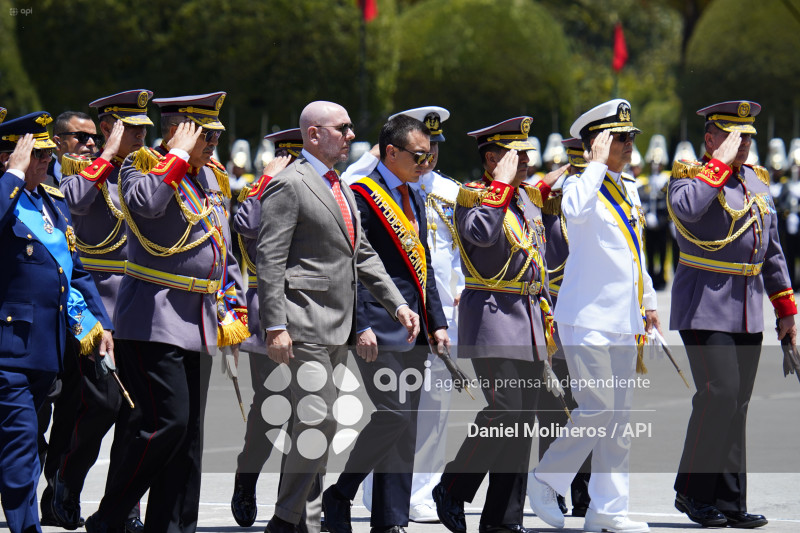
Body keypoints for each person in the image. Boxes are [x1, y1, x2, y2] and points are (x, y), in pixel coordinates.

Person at [86, 92, 249, 533]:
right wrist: (175, 155)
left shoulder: (211, 176)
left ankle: (175, 527)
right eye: (204, 134)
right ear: (178, 132)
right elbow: (147, 205)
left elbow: (221, 244)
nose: (213, 143)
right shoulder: (139, 167)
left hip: (200, 319)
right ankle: (111, 515)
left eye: (216, 136)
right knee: (167, 424)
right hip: (153, 317)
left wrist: (233, 308)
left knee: (190, 438)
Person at [256, 100, 419, 533]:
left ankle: (304, 523)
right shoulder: (290, 184)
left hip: (338, 327)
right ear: (313, 134)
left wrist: (397, 304)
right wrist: (275, 326)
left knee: (314, 429)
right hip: (303, 323)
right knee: (319, 420)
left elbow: (361, 254)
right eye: (342, 128)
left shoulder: (340, 186)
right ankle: (283, 521)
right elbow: (270, 259)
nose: (351, 135)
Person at [528, 99, 659, 533]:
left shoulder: (628, 188)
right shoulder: (579, 184)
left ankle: (608, 510)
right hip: (586, 318)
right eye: (618, 137)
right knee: (598, 408)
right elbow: (574, 213)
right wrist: (595, 164)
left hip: (623, 319)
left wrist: (649, 303)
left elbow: (636, 253)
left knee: (618, 422)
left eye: (630, 136)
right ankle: (546, 478)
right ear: (596, 144)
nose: (628, 143)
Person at [668, 100, 797, 529]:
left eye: (747, 137)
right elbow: (688, 210)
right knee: (718, 394)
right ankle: (692, 491)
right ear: (710, 139)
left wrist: (785, 309)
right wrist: (718, 165)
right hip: (704, 304)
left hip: (746, 307)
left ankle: (729, 500)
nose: (743, 144)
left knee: (737, 402)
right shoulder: (689, 177)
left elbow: (771, 250)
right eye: (733, 136)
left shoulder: (756, 181)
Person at [323, 114, 449, 533]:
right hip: (377, 323)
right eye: (418, 155)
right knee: (393, 413)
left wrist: (436, 322)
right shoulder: (361, 195)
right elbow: (353, 267)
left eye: (429, 154)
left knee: (406, 424)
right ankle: (341, 493)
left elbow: (423, 267)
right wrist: (360, 324)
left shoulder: (414, 195)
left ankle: (390, 521)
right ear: (391, 152)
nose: (426, 162)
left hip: (413, 325)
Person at [433, 116, 558, 533]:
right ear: (492, 159)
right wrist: (501, 186)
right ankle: (453, 485)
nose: (526, 162)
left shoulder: (525, 198)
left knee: (522, 422)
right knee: (505, 410)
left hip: (528, 317)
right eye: (516, 156)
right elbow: (482, 235)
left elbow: (540, 253)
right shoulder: (475, 195)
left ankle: (503, 520)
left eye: (526, 156)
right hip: (492, 316)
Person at [44, 90, 153, 532]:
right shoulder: (79, 173)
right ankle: (65, 481)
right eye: (133, 128)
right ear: (110, 129)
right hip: (93, 307)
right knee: (101, 403)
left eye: (145, 128)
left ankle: (125, 507)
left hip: (139, 308)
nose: (143, 136)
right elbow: (71, 202)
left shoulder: (145, 172)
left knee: (135, 413)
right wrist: (106, 154)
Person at [0, 112, 113, 533]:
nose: (47, 160)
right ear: (9, 157)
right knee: (21, 446)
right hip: (10, 347)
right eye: (37, 154)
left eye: (48, 153)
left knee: (25, 442)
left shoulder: (49, 200)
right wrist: (12, 175)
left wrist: (100, 324)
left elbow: (74, 269)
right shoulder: (6, 192)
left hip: (47, 347)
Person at [230, 128, 321, 530]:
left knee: (312, 412)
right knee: (273, 408)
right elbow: (247, 224)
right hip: (271, 312)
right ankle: (247, 476)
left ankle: (294, 507)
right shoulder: (262, 191)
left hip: (315, 313)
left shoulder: (321, 189)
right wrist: (266, 179)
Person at [530, 136, 591, 519]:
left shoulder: (604, 199)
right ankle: (551, 489)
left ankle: (585, 493)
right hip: (555, 317)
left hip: (592, 319)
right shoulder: (548, 203)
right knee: (556, 409)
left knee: (592, 408)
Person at [49, 111, 104, 186]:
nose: (92, 143)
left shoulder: (106, 181)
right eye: (82, 137)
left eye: (95, 138)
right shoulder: (38, 184)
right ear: (57, 143)